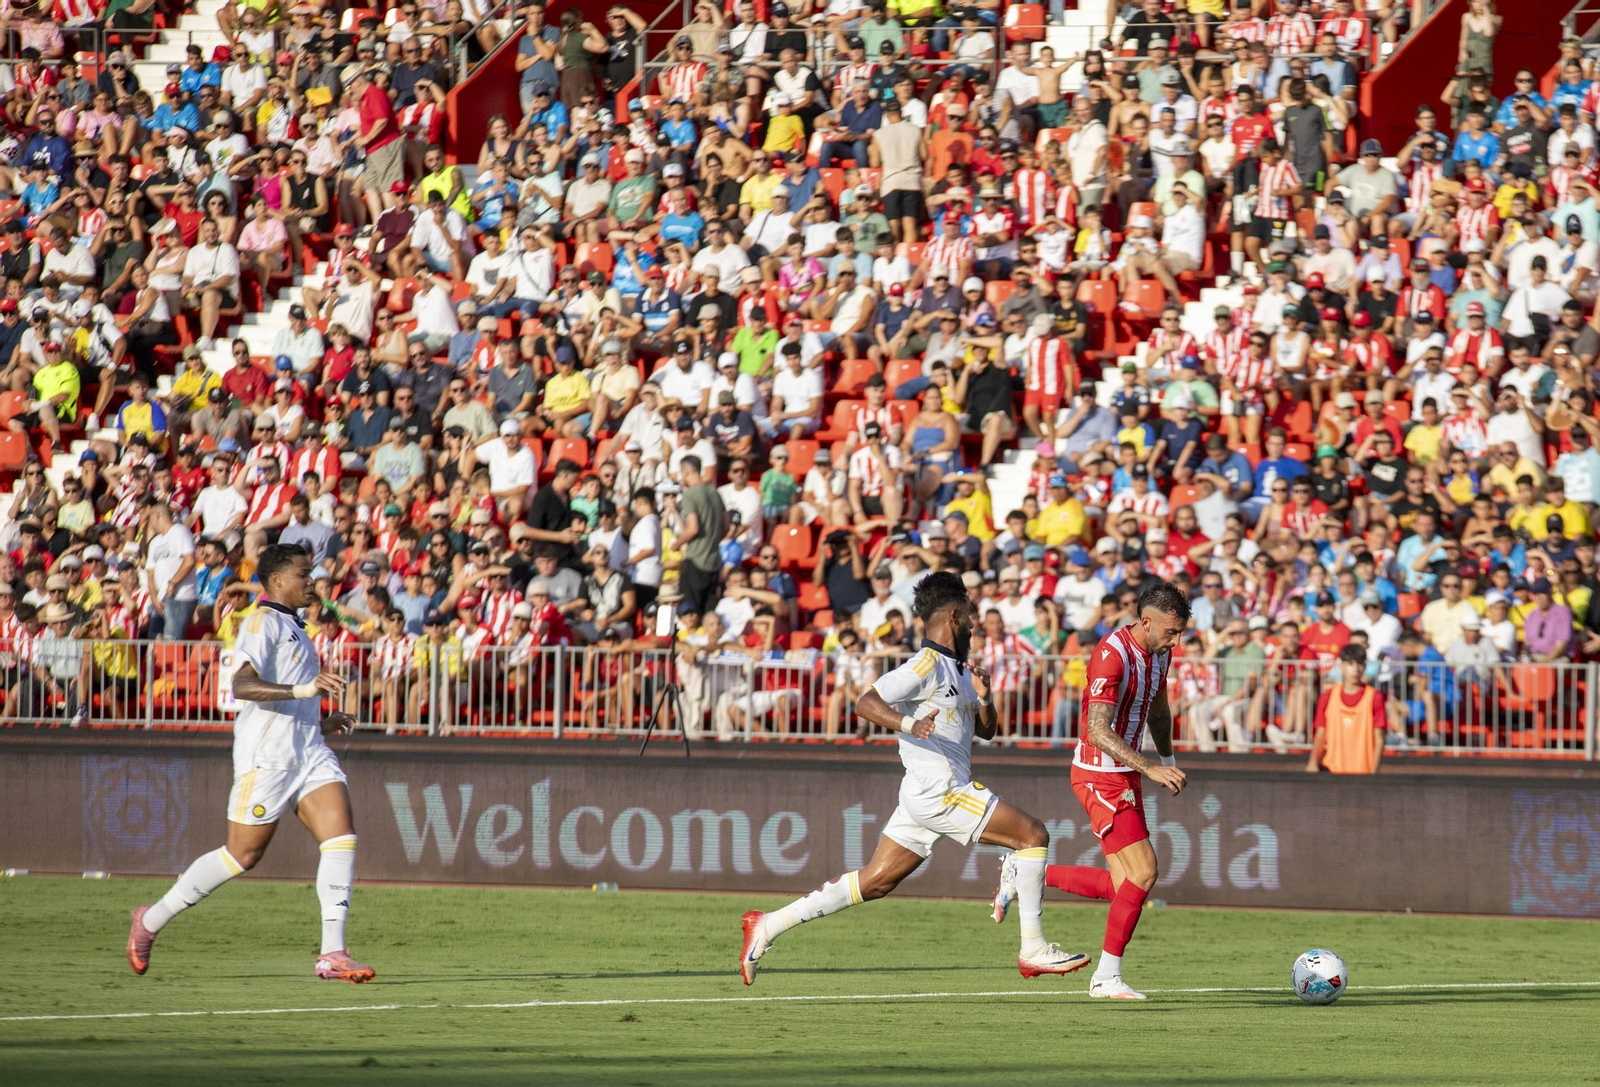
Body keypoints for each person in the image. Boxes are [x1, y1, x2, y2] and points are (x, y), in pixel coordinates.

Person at [739, 571, 1088, 984]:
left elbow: (987, 731)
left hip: (923, 794)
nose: (974, 625)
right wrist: (910, 724)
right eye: (969, 616)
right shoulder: (925, 664)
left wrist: (986, 698)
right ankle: (1032, 948)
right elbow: (866, 702)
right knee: (1033, 835)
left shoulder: (959, 670)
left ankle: (767, 925)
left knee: (876, 881)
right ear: (954, 616)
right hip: (942, 791)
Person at [126, 543, 374, 983]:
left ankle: (332, 953)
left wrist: (320, 721)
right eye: (303, 574)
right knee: (242, 855)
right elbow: (242, 685)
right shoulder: (261, 622)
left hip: (309, 751)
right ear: (277, 580)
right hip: (268, 758)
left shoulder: (296, 628)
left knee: (341, 839)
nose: (312, 582)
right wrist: (307, 691)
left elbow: (290, 695)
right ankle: (150, 920)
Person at [997, 579, 1189, 1001]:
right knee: (1144, 871)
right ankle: (1106, 977)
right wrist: (1151, 767)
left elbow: (1159, 711)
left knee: (1125, 887)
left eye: (1180, 632)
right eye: (1171, 632)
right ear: (1146, 622)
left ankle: (1026, 871)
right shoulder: (1111, 654)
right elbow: (1097, 729)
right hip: (1099, 774)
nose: (1177, 641)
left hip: (1126, 774)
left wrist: (1169, 760)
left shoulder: (1161, 654)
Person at [1306, 643, 1386, 774]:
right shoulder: (1328, 696)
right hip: (1332, 769)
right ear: (1341, 666)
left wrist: (1374, 771)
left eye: (1359, 664)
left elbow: (1379, 739)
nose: (1355, 669)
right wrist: (1312, 762)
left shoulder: (1374, 697)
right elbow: (1320, 734)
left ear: (1365, 666)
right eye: (1350, 664)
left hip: (1363, 771)